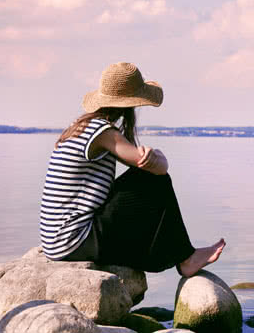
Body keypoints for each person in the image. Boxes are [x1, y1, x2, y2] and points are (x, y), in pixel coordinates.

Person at [39, 62, 225, 277]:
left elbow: (143, 164)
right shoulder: (103, 132)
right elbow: (157, 170)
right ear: (130, 104)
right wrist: (159, 156)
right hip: (74, 239)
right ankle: (187, 258)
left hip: (57, 240)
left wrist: (151, 160)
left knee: (147, 177)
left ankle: (181, 255)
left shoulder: (84, 126)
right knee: (156, 181)